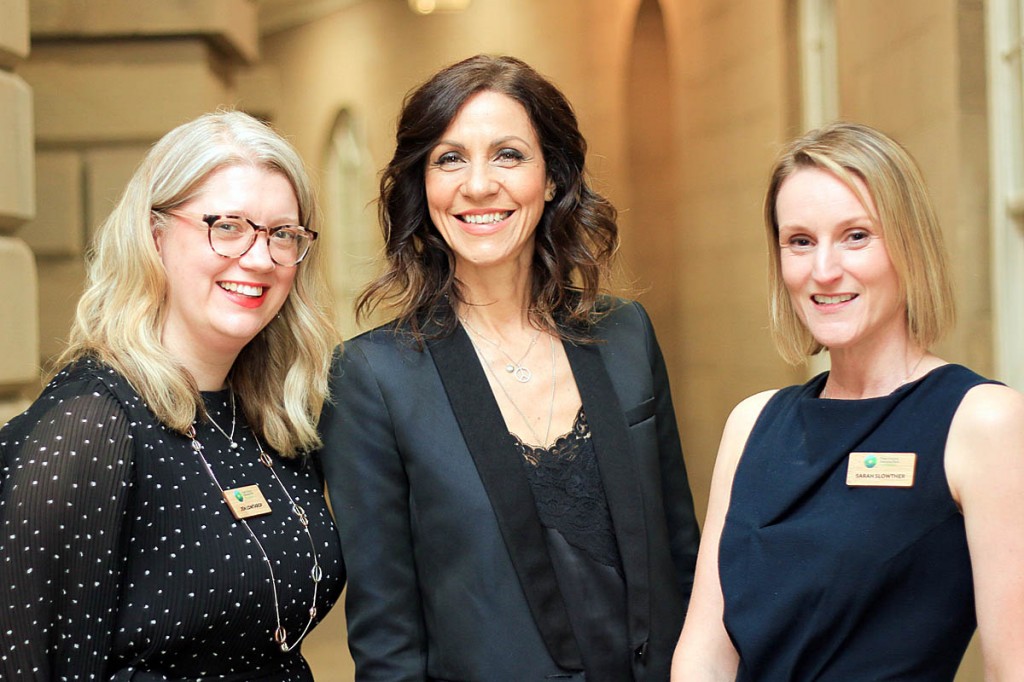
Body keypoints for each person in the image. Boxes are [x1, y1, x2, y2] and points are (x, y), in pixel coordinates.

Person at [319, 54, 700, 681]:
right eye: (449, 159)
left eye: (508, 155)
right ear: (422, 186)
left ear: (552, 177)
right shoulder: (373, 379)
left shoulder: (625, 334)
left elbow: (679, 556)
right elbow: (388, 636)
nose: (477, 185)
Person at [672, 122, 1024, 679]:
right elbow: (705, 654)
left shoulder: (981, 422)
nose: (824, 271)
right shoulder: (753, 423)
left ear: (909, 244)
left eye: (856, 236)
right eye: (801, 242)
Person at [0, 111, 345, 680]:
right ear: (154, 234)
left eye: (282, 234)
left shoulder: (275, 417)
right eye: (227, 225)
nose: (259, 259)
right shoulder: (90, 425)